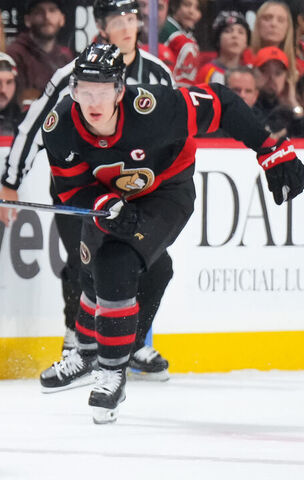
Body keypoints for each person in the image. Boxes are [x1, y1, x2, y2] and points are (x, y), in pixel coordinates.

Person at [42, 42, 304, 423]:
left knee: (116, 262)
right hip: (111, 196)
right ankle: (84, 353)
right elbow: (71, 188)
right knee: (91, 274)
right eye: (83, 90)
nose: (91, 101)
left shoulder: (156, 108)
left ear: (121, 89)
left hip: (166, 193)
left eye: (102, 90)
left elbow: (224, 103)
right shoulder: (61, 124)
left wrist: (270, 150)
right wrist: (101, 205)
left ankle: (111, 372)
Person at [0, 0, 175, 393]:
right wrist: (11, 179)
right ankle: (77, 344)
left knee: (151, 263)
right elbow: (35, 126)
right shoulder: (72, 73)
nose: (127, 27)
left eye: (132, 18)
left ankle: (130, 344)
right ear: (100, 26)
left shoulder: (158, 72)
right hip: (79, 185)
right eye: (117, 20)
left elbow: (174, 137)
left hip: (136, 189)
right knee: (85, 262)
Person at [6, 0, 73, 109]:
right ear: (28, 20)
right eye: (39, 12)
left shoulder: (66, 56)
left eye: (52, 10)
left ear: (62, 19)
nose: (46, 17)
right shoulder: (14, 54)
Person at [253, 46, 304, 137]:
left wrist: (294, 104)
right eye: (265, 71)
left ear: (286, 78)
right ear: (254, 73)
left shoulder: (291, 113)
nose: (271, 78)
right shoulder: (247, 104)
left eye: (278, 73)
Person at [196, 11, 251, 85]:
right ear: (218, 40)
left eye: (241, 32)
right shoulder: (206, 72)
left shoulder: (250, 72)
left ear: (246, 43)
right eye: (228, 31)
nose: (235, 36)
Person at [250, 2, 299, 81]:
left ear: (287, 28)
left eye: (280, 20)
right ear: (257, 24)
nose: (273, 24)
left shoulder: (298, 69)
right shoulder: (242, 59)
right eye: (267, 18)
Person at [159, 0, 201, 86]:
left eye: (197, 8)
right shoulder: (165, 29)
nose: (191, 11)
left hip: (185, 93)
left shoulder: (189, 36)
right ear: (175, 6)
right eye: (186, 5)